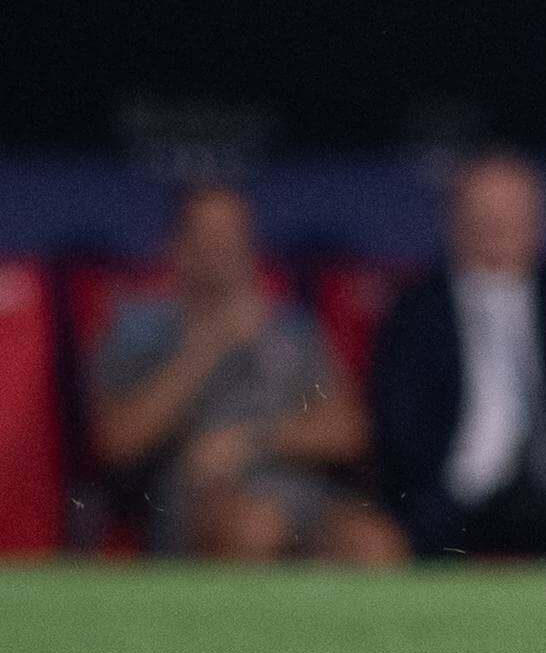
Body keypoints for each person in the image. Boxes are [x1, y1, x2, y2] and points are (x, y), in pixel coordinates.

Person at [90, 183, 402, 564]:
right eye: (207, 236)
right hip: (196, 499)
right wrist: (204, 349)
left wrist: (255, 440)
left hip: (301, 491)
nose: (221, 249)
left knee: (373, 542)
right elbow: (117, 442)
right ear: (178, 246)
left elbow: (348, 431)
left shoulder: (292, 330)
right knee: (255, 528)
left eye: (232, 235)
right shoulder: (139, 330)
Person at [369, 154, 546, 557]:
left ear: (536, 224)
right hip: (449, 505)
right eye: (483, 219)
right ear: (454, 223)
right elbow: (396, 433)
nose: (497, 232)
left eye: (511, 219)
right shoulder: (417, 310)